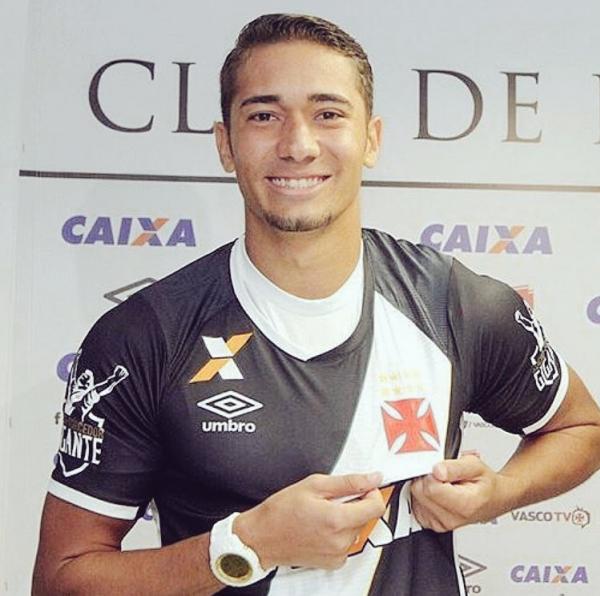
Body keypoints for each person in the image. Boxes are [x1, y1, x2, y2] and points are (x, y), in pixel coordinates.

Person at [32, 13, 600, 596]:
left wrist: (500, 494)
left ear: (371, 139)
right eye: (264, 116)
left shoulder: (454, 302)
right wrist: (245, 547)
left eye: (328, 114)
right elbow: (60, 579)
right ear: (225, 144)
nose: (298, 146)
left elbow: (581, 427)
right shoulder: (145, 335)